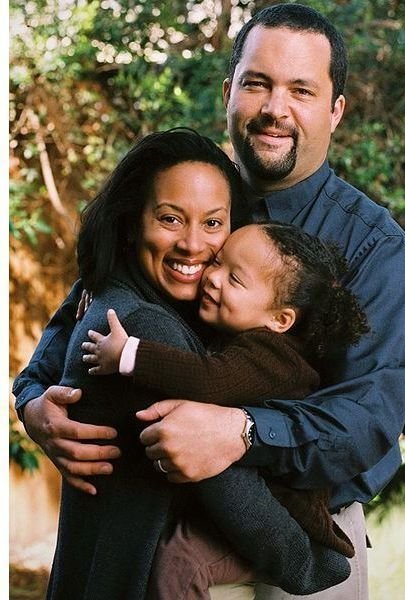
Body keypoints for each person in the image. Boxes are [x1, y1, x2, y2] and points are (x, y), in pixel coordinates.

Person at [13, 4, 405, 600]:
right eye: (257, 83)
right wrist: (33, 407)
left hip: (297, 536)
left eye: (301, 90)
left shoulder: (371, 248)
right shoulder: (187, 192)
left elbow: (366, 423)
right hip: (154, 528)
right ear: (229, 92)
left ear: (335, 110)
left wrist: (242, 431)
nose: (274, 108)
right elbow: (88, 306)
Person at [32, 128, 352, 599]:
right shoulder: (143, 328)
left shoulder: (117, 294)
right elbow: (219, 475)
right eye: (169, 218)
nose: (193, 246)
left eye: (213, 223)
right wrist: (304, 563)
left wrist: (27, 397)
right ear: (132, 220)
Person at [81, 221, 369, 599]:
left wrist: (129, 354)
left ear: (279, 319)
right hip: (226, 509)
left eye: (235, 279)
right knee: (169, 555)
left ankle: (312, 563)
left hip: (280, 514)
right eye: (217, 263)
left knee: (179, 563)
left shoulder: (273, 356)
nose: (212, 278)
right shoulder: (234, 329)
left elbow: (209, 381)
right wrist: (103, 295)